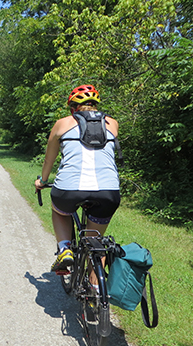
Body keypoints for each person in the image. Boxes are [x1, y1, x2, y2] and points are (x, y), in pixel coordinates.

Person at [34, 85, 120, 276]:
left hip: (68, 190)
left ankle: (64, 249)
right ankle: (98, 294)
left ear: (73, 108)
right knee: (95, 242)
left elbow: (50, 158)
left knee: (60, 211)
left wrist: (42, 180)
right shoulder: (112, 123)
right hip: (109, 191)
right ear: (96, 106)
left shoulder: (62, 124)